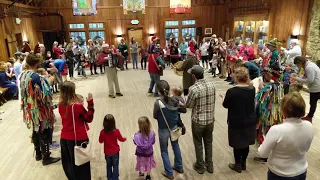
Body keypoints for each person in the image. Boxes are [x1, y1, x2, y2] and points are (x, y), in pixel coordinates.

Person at [258, 93, 314, 180]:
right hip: (301, 171)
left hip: (280, 173)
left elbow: (263, 154)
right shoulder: (309, 125)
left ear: (283, 110)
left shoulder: (277, 130)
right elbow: (305, 149)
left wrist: (263, 143)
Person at [19, 54, 60, 165]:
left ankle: (38, 154)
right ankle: (46, 158)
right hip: (40, 109)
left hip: (30, 109)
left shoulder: (22, 75)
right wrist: (49, 80)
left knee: (35, 129)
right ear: (37, 64)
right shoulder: (36, 77)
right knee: (44, 131)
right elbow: (45, 95)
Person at [221, 67, 257, 173]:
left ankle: (237, 164)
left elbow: (226, 105)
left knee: (237, 144)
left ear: (236, 77)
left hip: (236, 120)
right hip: (249, 120)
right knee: (245, 143)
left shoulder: (232, 91)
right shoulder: (252, 89)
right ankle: (243, 163)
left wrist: (223, 98)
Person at [58, 81, 94, 179]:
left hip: (64, 139)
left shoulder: (60, 105)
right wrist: (90, 103)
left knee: (69, 165)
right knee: (81, 167)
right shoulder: (77, 106)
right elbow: (89, 118)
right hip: (78, 139)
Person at [185, 65, 215, 174]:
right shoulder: (212, 85)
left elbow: (188, 105)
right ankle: (210, 165)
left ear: (194, 76)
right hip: (210, 119)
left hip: (198, 121)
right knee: (208, 142)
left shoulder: (193, 89)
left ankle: (200, 166)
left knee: (198, 143)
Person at [153, 80, 184, 179]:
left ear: (158, 90)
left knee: (164, 151)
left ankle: (169, 172)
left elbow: (155, 116)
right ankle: (179, 166)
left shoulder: (158, 103)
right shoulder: (175, 100)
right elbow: (182, 109)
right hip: (174, 127)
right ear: (169, 89)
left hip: (163, 129)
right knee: (176, 146)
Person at [254, 68, 283, 163]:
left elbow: (260, 100)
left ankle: (265, 156)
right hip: (276, 113)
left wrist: (260, 91)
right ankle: (272, 153)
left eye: (266, 74)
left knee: (264, 132)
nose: (265, 76)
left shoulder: (270, 87)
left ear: (270, 76)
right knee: (271, 131)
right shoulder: (280, 86)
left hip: (267, 114)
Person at [291, 56, 320, 123]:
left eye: (298, 65)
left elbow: (310, 80)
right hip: (316, 86)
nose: (298, 66)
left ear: (300, 62)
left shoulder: (309, 67)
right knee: (312, 102)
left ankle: (309, 117)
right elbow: (305, 76)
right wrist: (298, 77)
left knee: (313, 103)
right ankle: (310, 116)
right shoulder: (308, 65)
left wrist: (296, 78)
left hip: (316, 87)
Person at [99, 114, 127, 180]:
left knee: (108, 165)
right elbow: (121, 139)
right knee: (115, 166)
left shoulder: (102, 132)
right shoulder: (116, 131)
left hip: (107, 153)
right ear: (113, 123)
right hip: (115, 152)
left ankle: (109, 178)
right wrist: (124, 139)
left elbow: (100, 141)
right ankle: (115, 178)